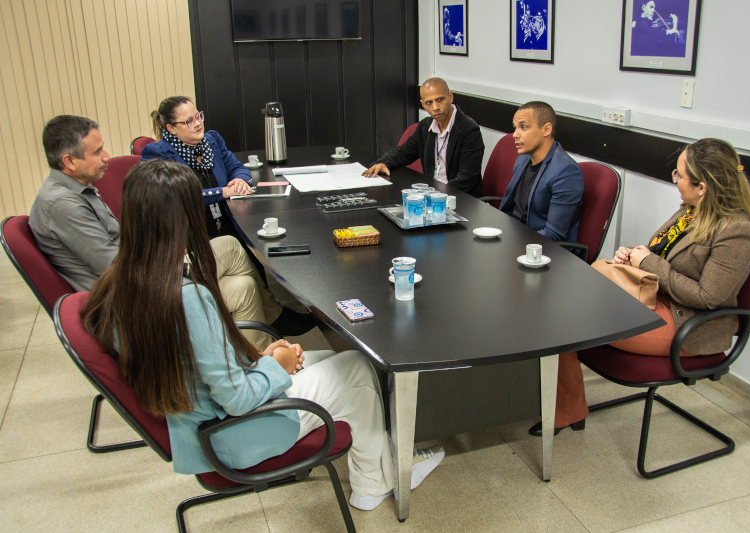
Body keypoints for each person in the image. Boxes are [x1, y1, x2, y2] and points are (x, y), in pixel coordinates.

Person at [80, 159, 444, 511]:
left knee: (331, 360)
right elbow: (236, 401)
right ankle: (376, 483)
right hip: (234, 433)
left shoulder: (117, 282)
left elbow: (195, 362)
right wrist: (276, 367)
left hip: (198, 416)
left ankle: (377, 473)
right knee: (357, 368)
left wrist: (259, 361)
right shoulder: (186, 298)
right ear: (182, 220)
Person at [530, 138, 750, 437]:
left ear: (702, 187)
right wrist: (632, 256)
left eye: (679, 175)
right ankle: (562, 405)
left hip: (688, 322)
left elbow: (708, 297)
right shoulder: (691, 210)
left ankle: (565, 408)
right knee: (561, 303)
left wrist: (649, 263)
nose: (675, 181)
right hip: (655, 298)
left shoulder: (737, 231)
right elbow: (659, 253)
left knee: (566, 318)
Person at [29, 115, 311, 346]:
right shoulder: (62, 205)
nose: (106, 156)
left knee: (239, 274)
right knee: (235, 261)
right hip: (135, 296)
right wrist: (167, 253)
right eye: (97, 151)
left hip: (141, 277)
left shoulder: (78, 189)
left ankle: (259, 356)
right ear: (69, 161)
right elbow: (115, 264)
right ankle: (268, 350)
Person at [141, 96, 254, 240]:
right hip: (190, 238)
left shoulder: (212, 140)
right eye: (189, 121)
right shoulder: (158, 154)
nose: (197, 123)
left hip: (228, 227)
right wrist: (223, 192)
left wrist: (240, 180)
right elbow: (177, 196)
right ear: (171, 128)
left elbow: (238, 168)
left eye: (198, 117)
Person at [362, 78, 485, 198]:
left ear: (450, 97)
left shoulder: (469, 129)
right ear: (423, 104)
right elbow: (403, 153)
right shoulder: (425, 127)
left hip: (461, 200)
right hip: (433, 197)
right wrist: (384, 162)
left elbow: (466, 179)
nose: (435, 107)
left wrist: (433, 196)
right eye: (429, 103)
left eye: (440, 99)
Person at [498, 101, 584, 245]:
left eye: (523, 127)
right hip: (516, 238)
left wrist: (513, 242)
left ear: (546, 129)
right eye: (515, 128)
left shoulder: (566, 172)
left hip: (544, 251)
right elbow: (510, 210)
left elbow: (553, 234)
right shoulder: (523, 159)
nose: (515, 134)